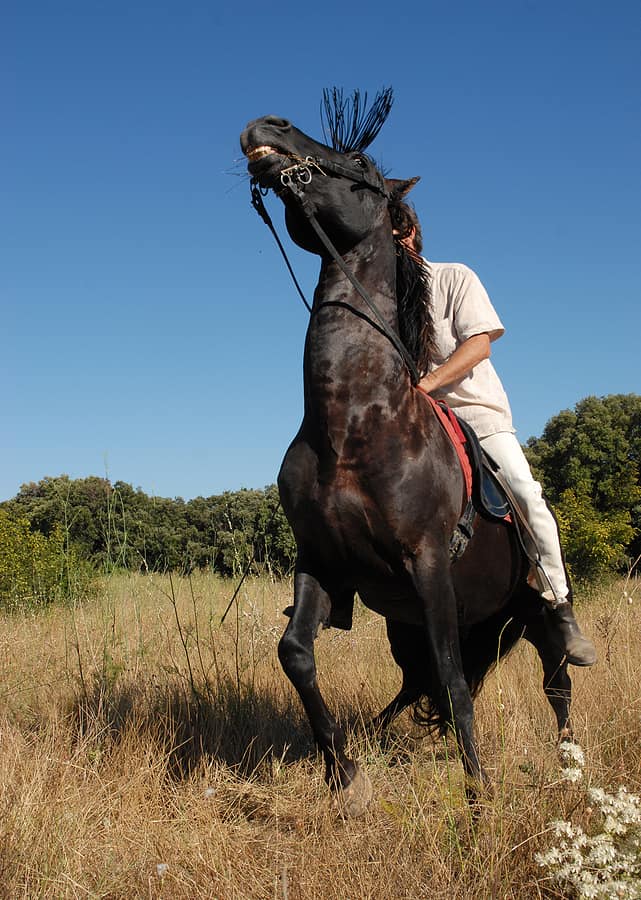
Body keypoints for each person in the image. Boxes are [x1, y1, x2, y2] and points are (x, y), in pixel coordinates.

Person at [396, 204, 596, 667]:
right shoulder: (383, 301)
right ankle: (339, 589)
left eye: (391, 235)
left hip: (476, 417)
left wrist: (427, 384)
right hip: (417, 426)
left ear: (409, 235)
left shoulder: (454, 277)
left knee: (527, 495)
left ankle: (559, 604)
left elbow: (479, 343)